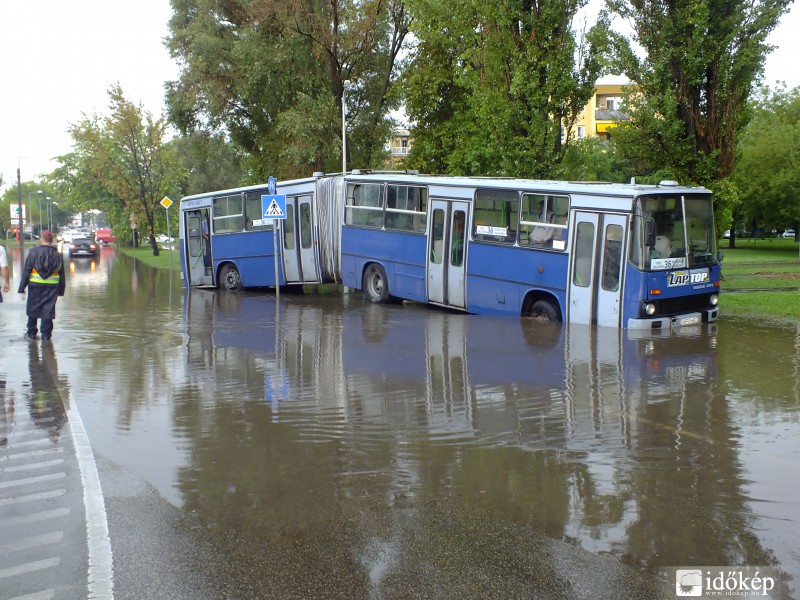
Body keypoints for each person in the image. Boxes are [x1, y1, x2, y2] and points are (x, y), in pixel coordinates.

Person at [18, 231, 65, 341]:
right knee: (48, 311)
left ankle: (31, 334)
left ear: (41, 239)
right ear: (52, 240)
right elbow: (61, 275)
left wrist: (22, 288)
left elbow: (27, 271)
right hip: (52, 288)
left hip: (35, 286)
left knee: (33, 308)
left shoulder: (33, 252)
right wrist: (61, 290)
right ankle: (46, 336)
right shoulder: (58, 255)